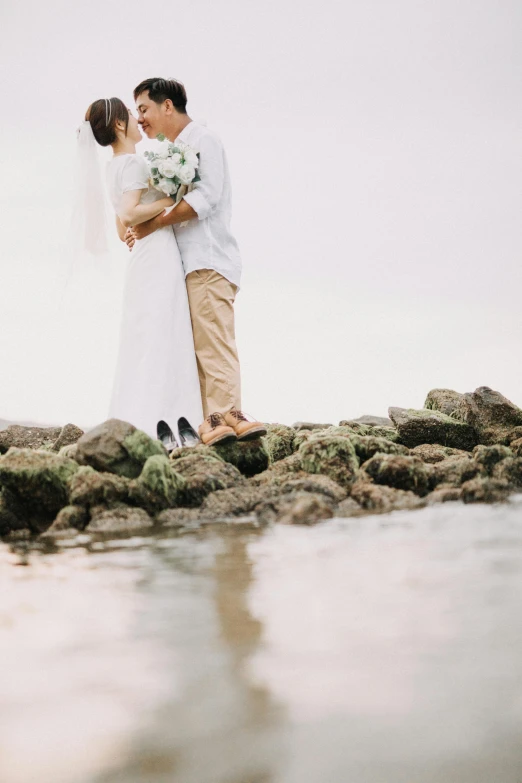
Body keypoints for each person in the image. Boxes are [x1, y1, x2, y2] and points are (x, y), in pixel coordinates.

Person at [126, 78, 266, 446]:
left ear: (167, 106)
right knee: (198, 349)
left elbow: (208, 197)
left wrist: (153, 223)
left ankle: (228, 419)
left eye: (144, 109)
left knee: (213, 345)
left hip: (208, 258)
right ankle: (214, 424)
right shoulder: (174, 150)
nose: (140, 118)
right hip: (185, 264)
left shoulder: (203, 140)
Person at [82, 97, 203, 444]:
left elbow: (122, 233)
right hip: (158, 255)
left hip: (142, 259)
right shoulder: (133, 163)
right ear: (119, 126)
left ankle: (143, 416)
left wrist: (144, 211)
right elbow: (131, 216)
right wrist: (172, 200)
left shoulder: (112, 168)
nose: (138, 120)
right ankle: (172, 419)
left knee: (145, 336)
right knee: (167, 331)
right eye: (132, 116)